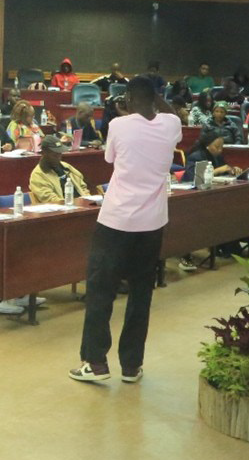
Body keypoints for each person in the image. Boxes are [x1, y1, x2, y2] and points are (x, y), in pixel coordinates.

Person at [69, 76, 181, 383]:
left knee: (101, 291)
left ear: (128, 99)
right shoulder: (171, 125)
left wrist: (128, 112)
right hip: (152, 224)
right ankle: (131, 366)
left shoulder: (118, 125)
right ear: (155, 98)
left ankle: (95, 363)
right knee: (141, 294)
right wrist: (155, 98)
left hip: (116, 222)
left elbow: (111, 158)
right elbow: (171, 113)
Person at [30, 140, 93, 204]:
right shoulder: (38, 174)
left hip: (81, 203)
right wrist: (69, 205)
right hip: (62, 206)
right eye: (55, 154)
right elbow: (49, 199)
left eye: (60, 153)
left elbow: (82, 186)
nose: (58, 157)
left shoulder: (66, 166)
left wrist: (87, 199)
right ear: (44, 153)